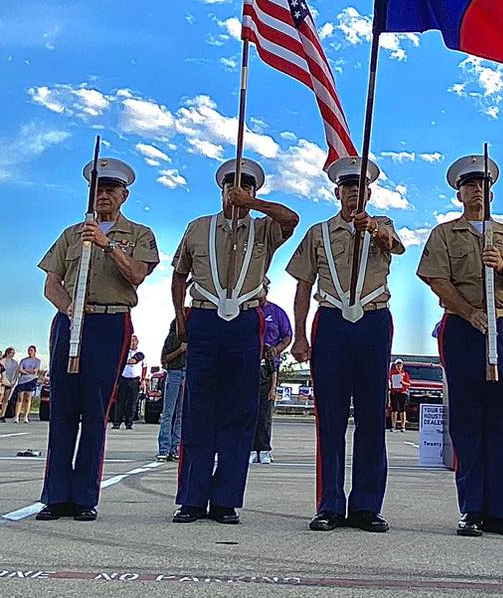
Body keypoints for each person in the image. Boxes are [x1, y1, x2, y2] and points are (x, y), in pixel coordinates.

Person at [417, 153, 503, 539]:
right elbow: (436, 279)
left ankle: (501, 511)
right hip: (464, 327)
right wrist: (468, 312)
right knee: (467, 418)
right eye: (470, 186)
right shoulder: (444, 234)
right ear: (459, 194)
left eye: (484, 185)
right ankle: (471, 509)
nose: (478, 191)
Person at [171, 158, 298, 526]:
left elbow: (291, 219)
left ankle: (226, 499)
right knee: (199, 408)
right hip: (206, 316)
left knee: (239, 410)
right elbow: (180, 275)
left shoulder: (263, 229)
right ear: (221, 188)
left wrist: (252, 204)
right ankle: (192, 499)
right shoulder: (199, 227)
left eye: (246, 185)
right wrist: (181, 318)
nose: (236, 190)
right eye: (231, 185)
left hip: (244, 318)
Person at [37, 156, 160, 522]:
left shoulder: (139, 234)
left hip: (110, 322)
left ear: (124, 195)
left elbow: (137, 275)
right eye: (97, 189)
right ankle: (55, 495)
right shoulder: (71, 234)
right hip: (70, 322)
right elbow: (51, 283)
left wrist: (108, 245)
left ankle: (84, 496)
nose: (103, 195)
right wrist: (70, 309)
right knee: (62, 410)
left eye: (110, 189)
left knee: (94, 411)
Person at [287, 155, 402, 531]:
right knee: (330, 416)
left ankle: (367, 505)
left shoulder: (382, 224)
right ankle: (330, 504)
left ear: (369, 192)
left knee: (372, 415)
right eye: (348, 187)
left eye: (361, 187)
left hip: (373, 320)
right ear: (337, 192)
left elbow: (394, 246)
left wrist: (372, 230)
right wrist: (300, 334)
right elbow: (303, 285)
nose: (355, 193)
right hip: (332, 320)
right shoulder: (319, 233)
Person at [253, 279, 293, 465]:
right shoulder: (248, 310)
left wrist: (276, 350)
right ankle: (250, 448)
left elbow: (287, 336)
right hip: (246, 364)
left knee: (264, 413)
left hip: (268, 367)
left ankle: (264, 449)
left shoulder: (276, 312)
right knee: (246, 411)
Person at [156, 319, 186, 461]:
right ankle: (164, 448)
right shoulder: (172, 337)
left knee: (181, 414)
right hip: (174, 373)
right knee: (168, 413)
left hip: (186, 374)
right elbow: (164, 359)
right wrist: (180, 350)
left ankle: (175, 448)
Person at [113, 337, 144, 430]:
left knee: (132, 402)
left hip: (134, 380)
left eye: (134, 341)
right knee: (120, 402)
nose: (133, 343)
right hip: (123, 379)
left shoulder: (140, 354)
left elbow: (144, 366)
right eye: (131, 341)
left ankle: (129, 422)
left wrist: (142, 380)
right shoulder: (124, 352)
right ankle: (117, 422)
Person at [15, 345, 43, 424]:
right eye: (29, 350)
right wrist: (28, 371)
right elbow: (20, 370)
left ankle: (25, 416)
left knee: (28, 398)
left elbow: (35, 370)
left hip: (31, 380)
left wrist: (26, 370)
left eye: (31, 350)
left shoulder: (37, 361)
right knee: (20, 398)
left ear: (34, 351)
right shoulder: (24, 360)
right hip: (22, 380)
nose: (30, 352)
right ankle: (17, 416)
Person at [388, 360, 412, 433]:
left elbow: (409, 384)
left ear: (402, 366)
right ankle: (393, 426)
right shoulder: (392, 374)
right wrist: (390, 384)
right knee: (394, 410)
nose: (398, 367)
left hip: (403, 392)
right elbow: (389, 381)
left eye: (400, 365)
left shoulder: (405, 374)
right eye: (397, 365)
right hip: (394, 392)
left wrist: (402, 382)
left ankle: (403, 426)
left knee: (402, 409)